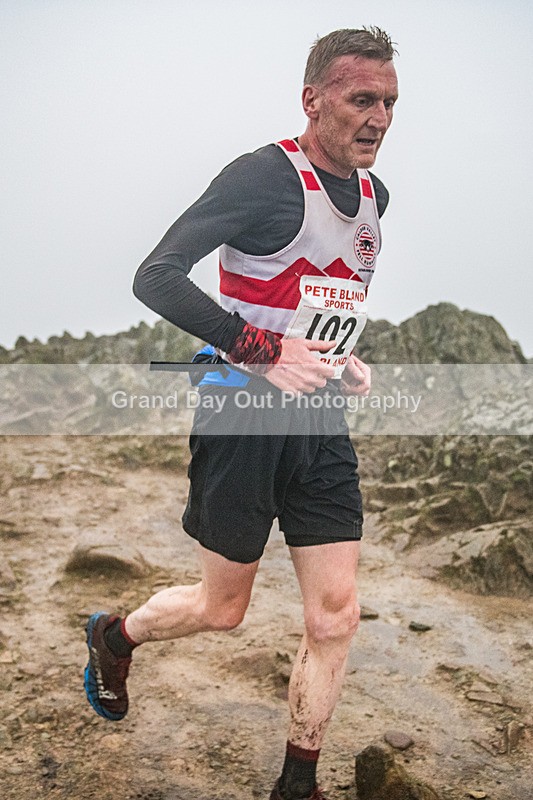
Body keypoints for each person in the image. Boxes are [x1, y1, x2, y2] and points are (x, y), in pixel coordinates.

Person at [84, 27, 398, 800]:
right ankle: (115, 636)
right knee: (222, 609)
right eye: (362, 99)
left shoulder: (374, 198)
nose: (379, 118)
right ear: (312, 100)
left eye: (389, 102)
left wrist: (338, 359)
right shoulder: (262, 177)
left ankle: (298, 783)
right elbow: (156, 276)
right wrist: (262, 351)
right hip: (240, 413)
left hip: (318, 421)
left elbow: (316, 303)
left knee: (335, 614)